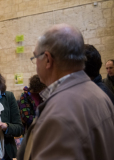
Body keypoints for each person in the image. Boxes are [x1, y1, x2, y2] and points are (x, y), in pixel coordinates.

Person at [17, 24, 114, 160]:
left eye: (35, 58)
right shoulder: (99, 94)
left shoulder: (59, 114)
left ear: (48, 59)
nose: (36, 64)